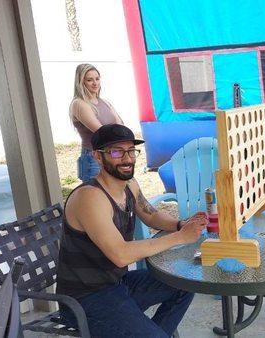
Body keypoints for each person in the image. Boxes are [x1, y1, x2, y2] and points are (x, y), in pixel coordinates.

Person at [56, 124, 208, 337]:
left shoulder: (129, 184)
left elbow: (151, 215)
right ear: (98, 157)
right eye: (117, 152)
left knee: (185, 283)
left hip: (118, 284)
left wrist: (179, 225)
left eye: (131, 151)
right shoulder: (90, 197)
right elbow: (120, 254)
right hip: (85, 299)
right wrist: (179, 237)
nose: (127, 159)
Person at [70, 63, 124, 182]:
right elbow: (102, 132)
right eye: (90, 80)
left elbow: (121, 126)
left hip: (111, 153)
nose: (95, 83)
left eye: (97, 79)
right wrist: (119, 133)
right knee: (96, 196)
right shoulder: (79, 103)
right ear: (81, 82)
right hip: (93, 157)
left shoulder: (105, 102)